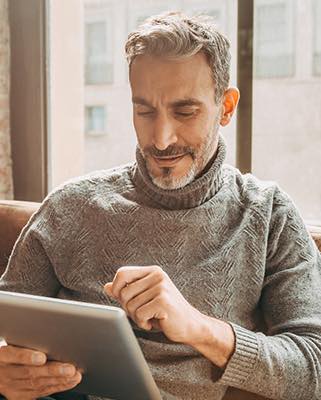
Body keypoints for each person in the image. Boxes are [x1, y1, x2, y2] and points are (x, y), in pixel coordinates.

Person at [0, 11, 321, 400]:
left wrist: (199, 328)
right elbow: (7, 322)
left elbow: (313, 367)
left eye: (184, 112)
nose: (162, 138)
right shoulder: (70, 207)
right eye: (145, 111)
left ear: (226, 107)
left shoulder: (268, 215)